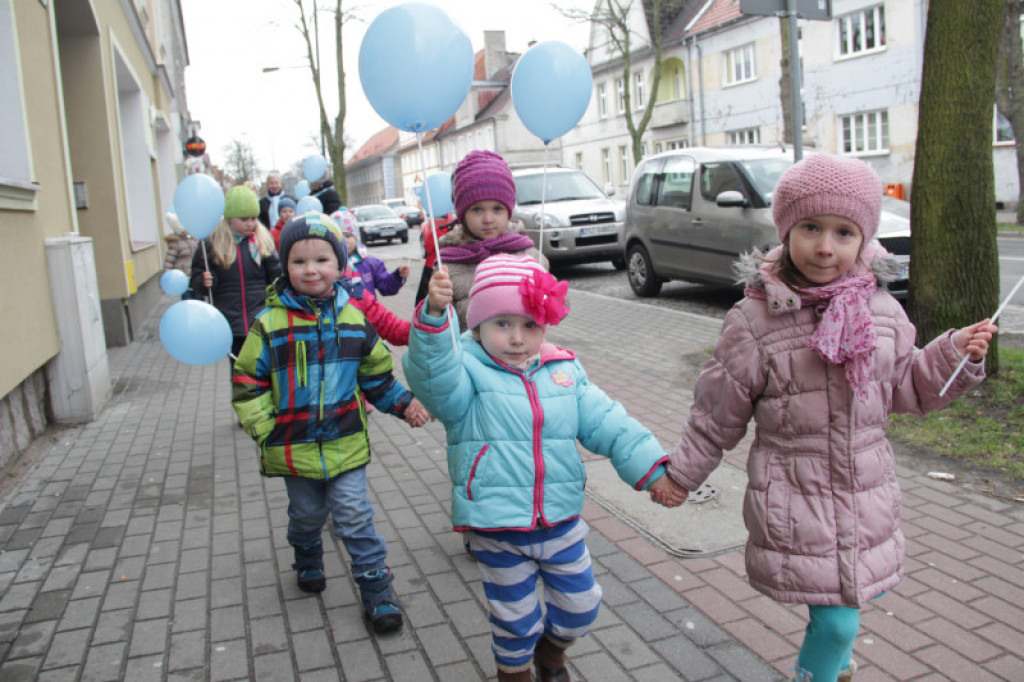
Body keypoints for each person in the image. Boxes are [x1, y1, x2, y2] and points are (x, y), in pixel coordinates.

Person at [653, 154, 997, 682]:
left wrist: (955, 353)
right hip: (797, 495)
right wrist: (682, 475)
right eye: (810, 228)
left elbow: (905, 387)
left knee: (843, 615)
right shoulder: (755, 320)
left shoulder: (883, 312)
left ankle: (835, 666)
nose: (825, 247)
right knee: (837, 623)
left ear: (865, 240)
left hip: (864, 495)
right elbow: (717, 410)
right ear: (787, 229)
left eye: (843, 232)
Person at [403, 254, 680, 682]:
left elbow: (610, 423)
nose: (516, 338)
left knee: (581, 607)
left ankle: (551, 653)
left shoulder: (564, 370)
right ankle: (514, 674)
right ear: (476, 326)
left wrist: (653, 470)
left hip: (560, 520)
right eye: (501, 324)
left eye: (529, 324)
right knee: (515, 621)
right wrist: (434, 318)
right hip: (499, 527)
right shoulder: (467, 371)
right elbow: (433, 378)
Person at [232, 212, 430, 634]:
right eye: (299, 261)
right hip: (292, 444)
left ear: (340, 266)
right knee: (306, 513)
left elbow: (376, 378)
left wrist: (405, 403)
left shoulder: (354, 320)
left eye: (323, 260)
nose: (311, 270)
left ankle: (377, 590)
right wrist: (265, 428)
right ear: (285, 267)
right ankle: (306, 553)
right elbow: (247, 381)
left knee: (354, 513)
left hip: (345, 440)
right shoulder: (269, 324)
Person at [438, 149, 547, 330]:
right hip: (469, 355)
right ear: (463, 214)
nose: (488, 219)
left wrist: (548, 297)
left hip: (522, 353)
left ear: (509, 211)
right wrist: (433, 307)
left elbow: (560, 307)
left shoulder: (528, 254)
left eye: (497, 209)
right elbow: (433, 328)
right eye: (477, 209)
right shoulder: (447, 265)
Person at [190, 185, 281, 363]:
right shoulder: (213, 243)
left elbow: (276, 278)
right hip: (230, 322)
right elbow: (197, 275)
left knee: (264, 368)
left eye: (253, 218)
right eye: (243, 219)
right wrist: (204, 281)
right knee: (239, 370)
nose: (250, 224)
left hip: (260, 318)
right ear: (230, 219)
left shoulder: (262, 241)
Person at [331, 209, 410, 297]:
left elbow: (386, 287)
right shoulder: (328, 264)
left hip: (366, 309)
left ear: (357, 237)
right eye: (339, 237)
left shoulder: (370, 263)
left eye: (348, 236)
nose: (344, 241)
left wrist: (398, 276)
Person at [415, 209, 457, 305]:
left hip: (432, 267)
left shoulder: (440, 231)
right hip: (444, 269)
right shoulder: (449, 232)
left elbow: (428, 247)